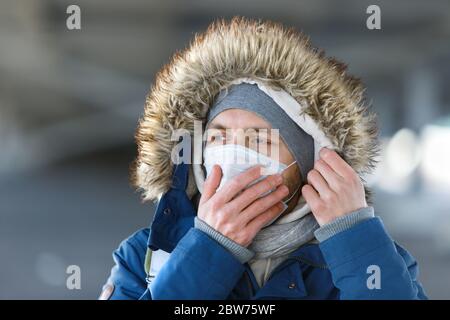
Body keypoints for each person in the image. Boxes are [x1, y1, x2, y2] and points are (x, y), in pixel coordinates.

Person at [99, 17, 427, 300]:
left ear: (310, 162)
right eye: (218, 136)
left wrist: (353, 237)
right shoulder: (146, 256)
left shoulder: (374, 258)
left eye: (260, 139)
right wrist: (208, 250)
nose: (234, 155)